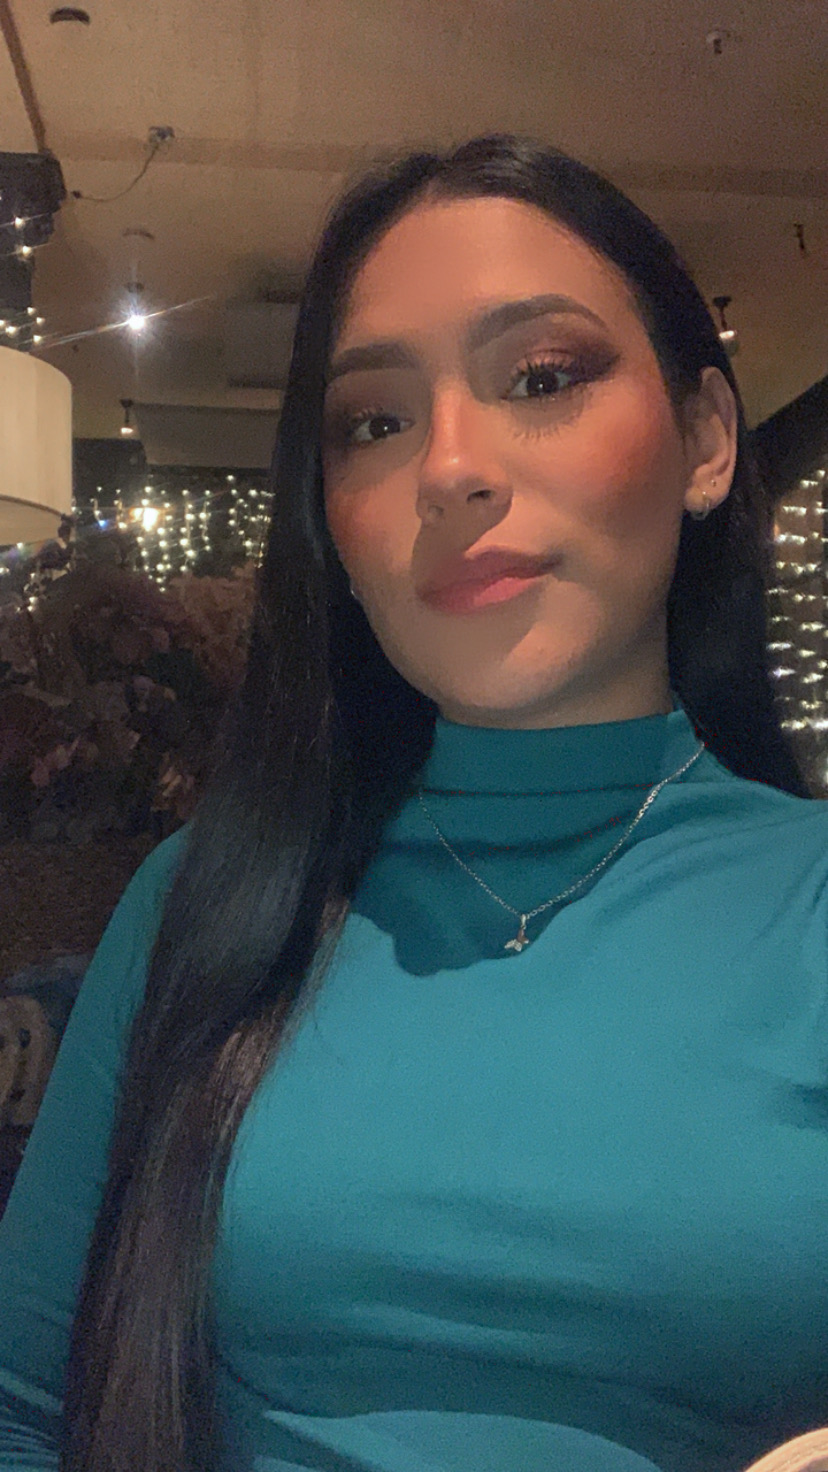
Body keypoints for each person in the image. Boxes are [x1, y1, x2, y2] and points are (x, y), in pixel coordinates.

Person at [0, 134, 825, 1472]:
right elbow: (24, 1407)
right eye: (375, 422)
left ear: (705, 440)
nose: (449, 467)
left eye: (542, 377)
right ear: (332, 524)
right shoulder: (215, 902)